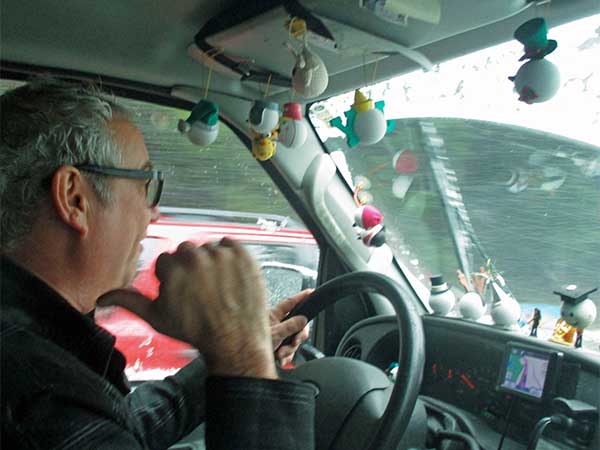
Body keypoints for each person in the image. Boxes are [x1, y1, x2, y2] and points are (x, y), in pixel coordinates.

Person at [0, 79, 315, 449]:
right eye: (144, 184)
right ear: (75, 198)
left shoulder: (34, 359)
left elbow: (119, 429)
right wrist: (244, 360)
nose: (154, 213)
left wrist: (239, 350)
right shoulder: (39, 404)